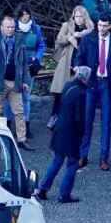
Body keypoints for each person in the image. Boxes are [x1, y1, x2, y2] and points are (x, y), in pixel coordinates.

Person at [76, 13, 111, 171]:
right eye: (99, 25)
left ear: (110, 26)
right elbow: (78, 58)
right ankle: (82, 155)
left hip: (107, 84)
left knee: (106, 122)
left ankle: (104, 158)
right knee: (87, 120)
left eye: (105, 25)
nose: (102, 28)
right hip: (91, 82)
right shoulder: (88, 39)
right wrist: (78, 68)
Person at [35, 66, 91, 203]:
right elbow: (79, 118)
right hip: (71, 133)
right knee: (72, 164)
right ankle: (64, 194)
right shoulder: (81, 93)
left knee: (56, 161)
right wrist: (82, 133)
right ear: (86, 78)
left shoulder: (67, 86)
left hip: (60, 129)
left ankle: (42, 189)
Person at [0, 15, 33, 150]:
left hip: (15, 81)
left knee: (19, 111)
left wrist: (25, 80)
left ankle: (21, 139)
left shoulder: (19, 41)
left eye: (12, 27)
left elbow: (24, 63)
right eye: (8, 27)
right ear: (2, 27)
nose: (10, 29)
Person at [48, 6, 94, 130]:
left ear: (85, 17)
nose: (78, 19)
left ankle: (71, 120)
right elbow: (59, 40)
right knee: (59, 92)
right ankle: (54, 116)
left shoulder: (89, 30)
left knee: (75, 93)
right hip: (65, 63)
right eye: (76, 16)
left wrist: (79, 40)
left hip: (80, 64)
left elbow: (90, 46)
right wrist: (69, 38)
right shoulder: (67, 25)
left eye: (80, 16)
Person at [4, 4, 46, 139]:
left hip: (29, 65)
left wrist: (37, 58)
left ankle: (26, 126)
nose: (25, 17)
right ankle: (8, 124)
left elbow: (41, 45)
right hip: (15, 64)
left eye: (27, 14)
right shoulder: (13, 27)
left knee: (26, 97)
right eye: (22, 15)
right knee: (10, 95)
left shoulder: (36, 29)